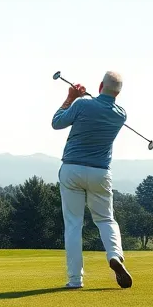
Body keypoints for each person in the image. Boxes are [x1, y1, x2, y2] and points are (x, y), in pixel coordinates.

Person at [51, 71, 134, 290]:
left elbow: (57, 122)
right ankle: (115, 255)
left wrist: (72, 97)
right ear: (118, 92)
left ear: (99, 85)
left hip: (72, 169)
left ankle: (75, 280)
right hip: (100, 173)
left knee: (73, 225)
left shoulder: (82, 105)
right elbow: (104, 105)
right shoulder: (121, 115)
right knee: (106, 220)